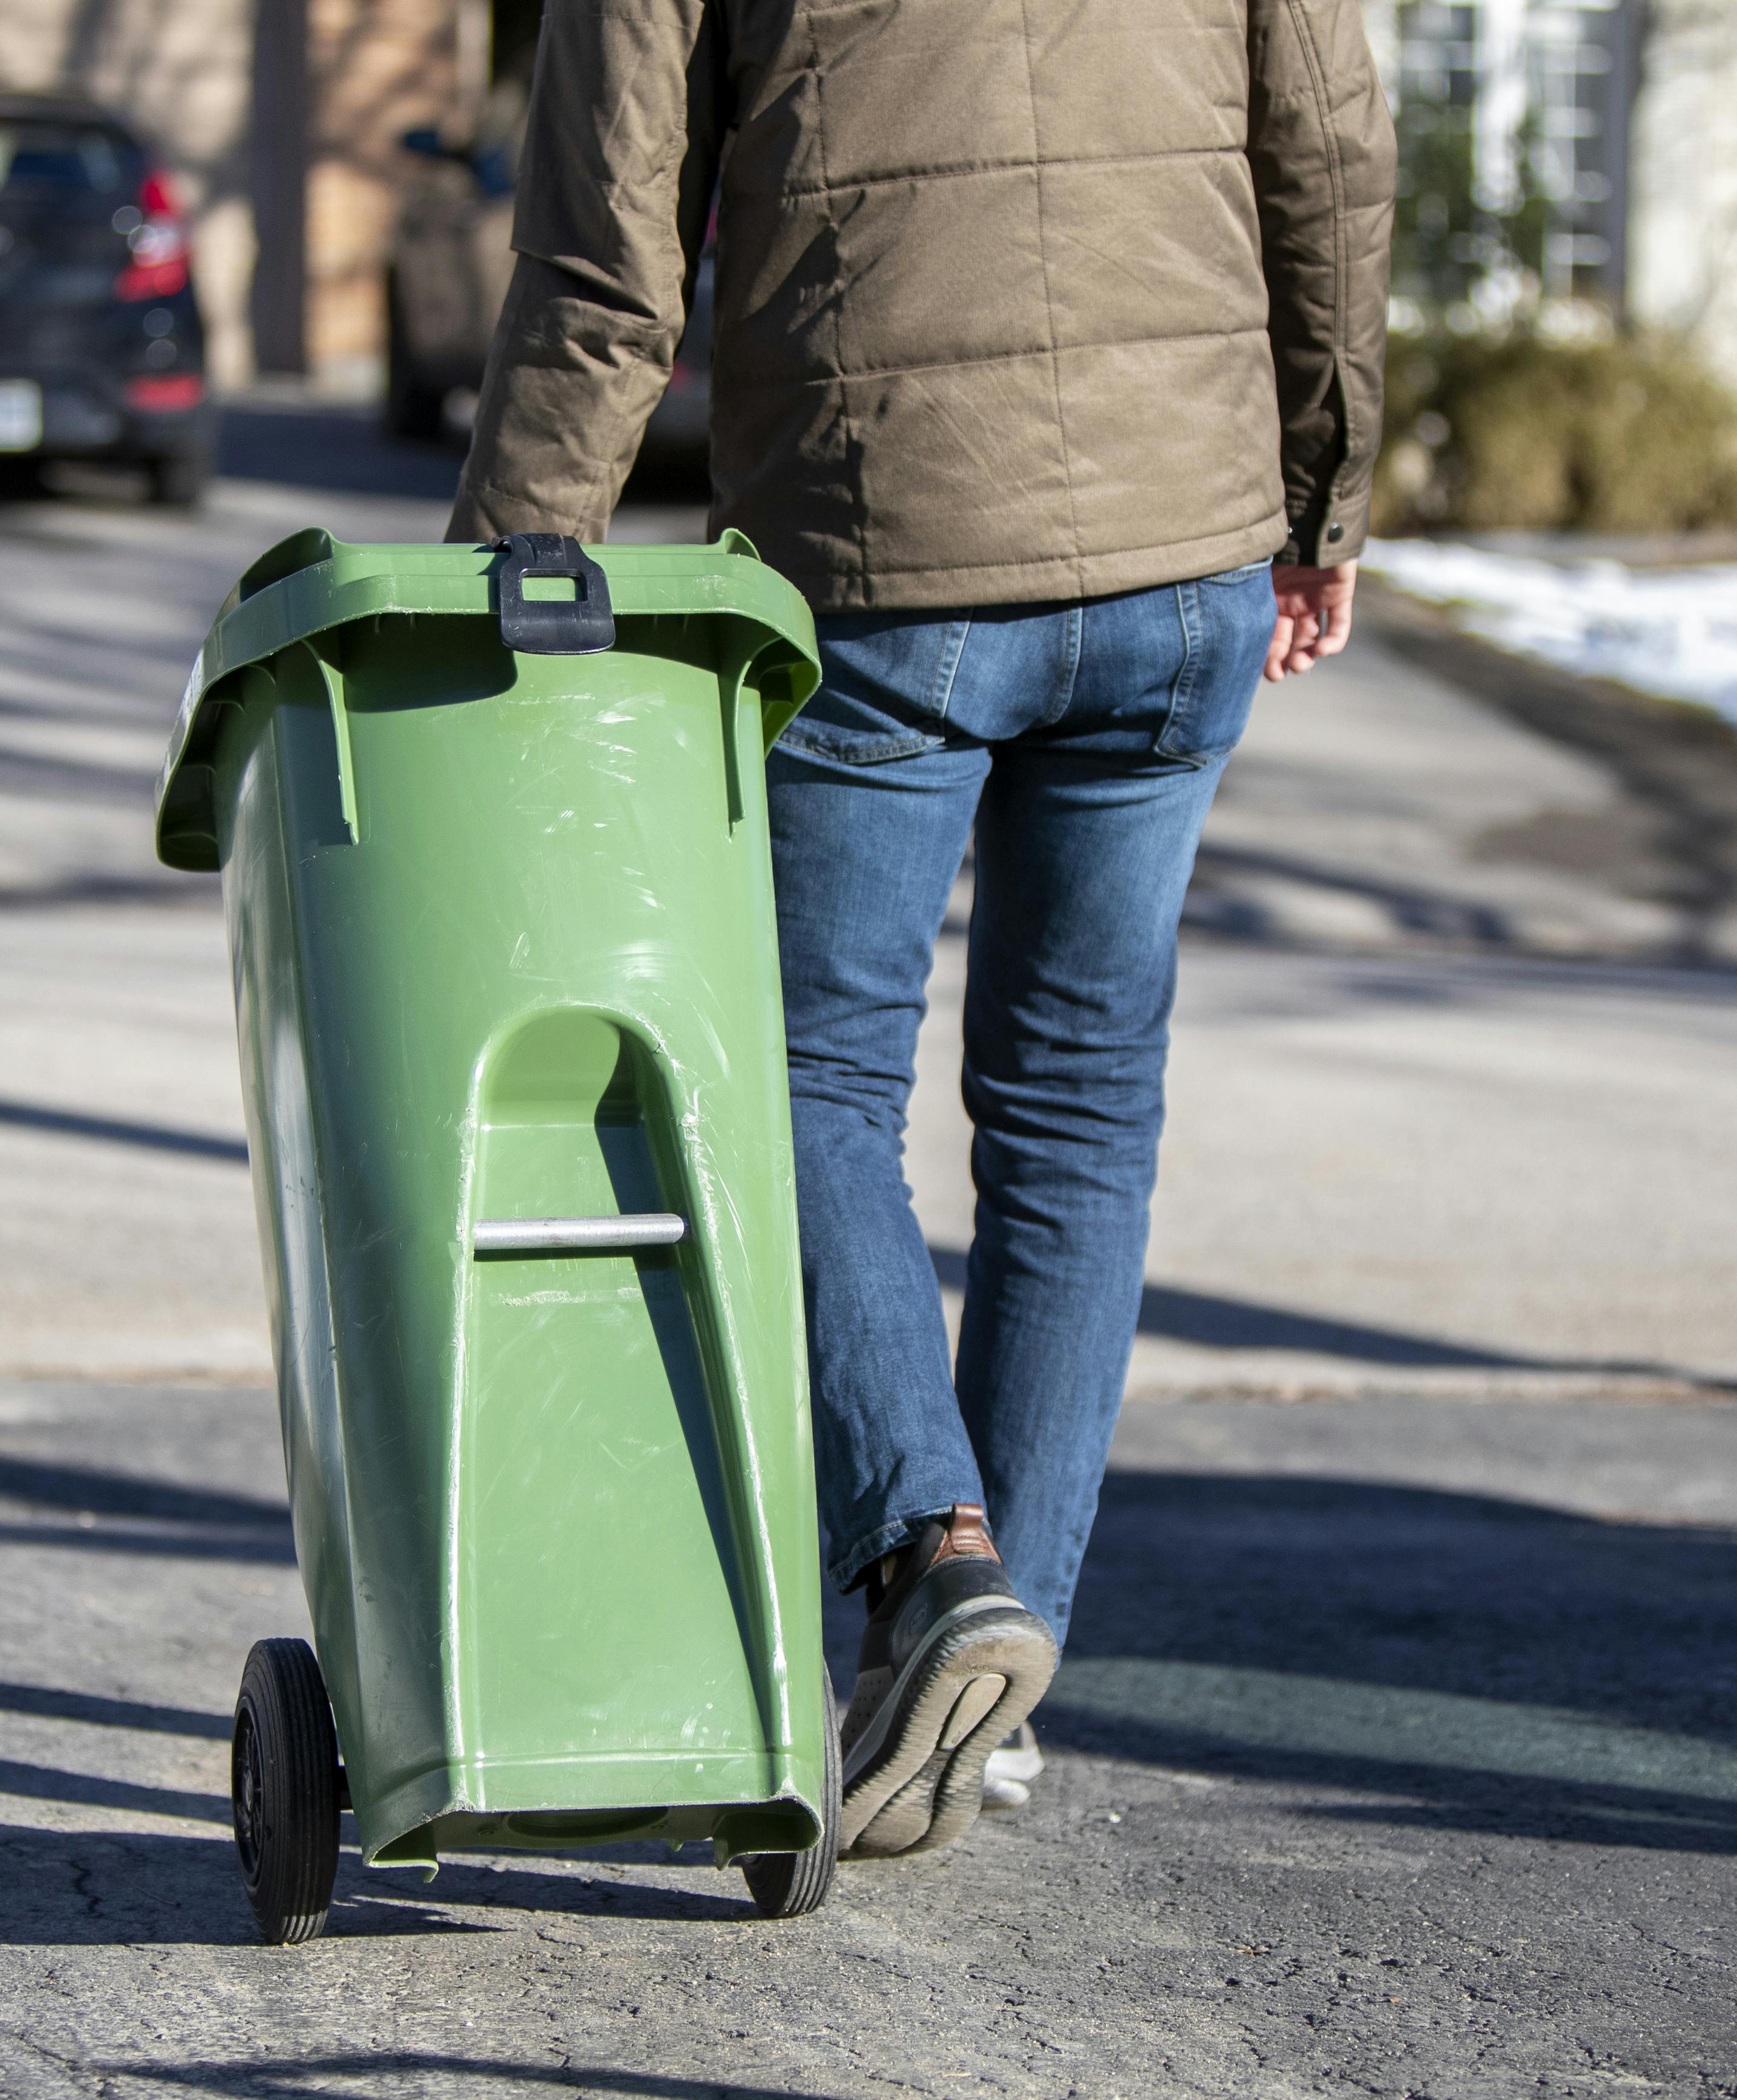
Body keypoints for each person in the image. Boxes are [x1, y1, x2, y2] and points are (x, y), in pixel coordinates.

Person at [449, 0, 1394, 1861]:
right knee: (1077, 1116)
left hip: (892, 560)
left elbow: (606, 251)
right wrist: (1323, 495)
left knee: (797, 1083)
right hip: (1186, 557)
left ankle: (941, 1561)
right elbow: (1336, 154)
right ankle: (998, 1661)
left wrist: (512, 570)